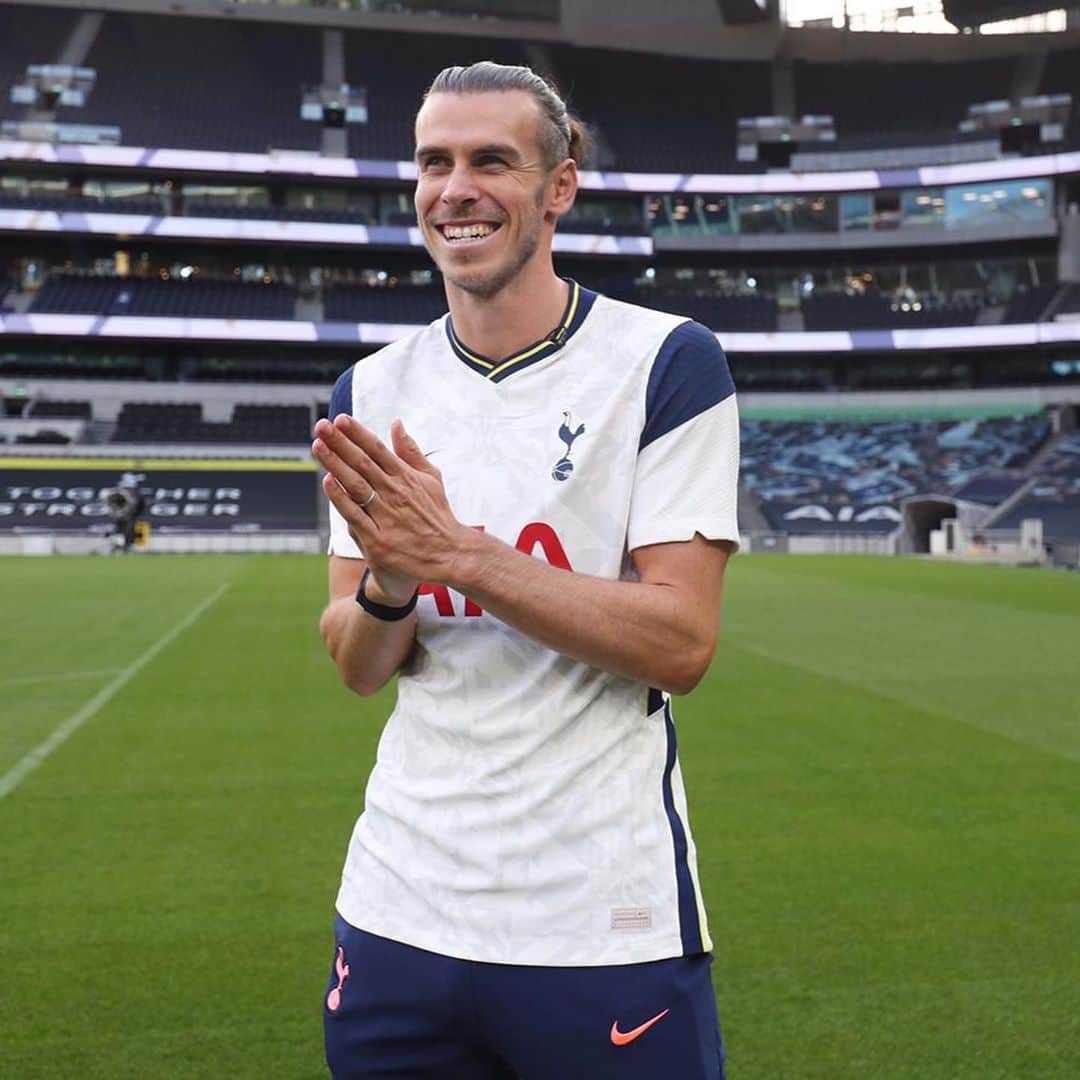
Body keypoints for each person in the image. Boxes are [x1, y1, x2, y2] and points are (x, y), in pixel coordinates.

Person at [312, 61, 740, 1080]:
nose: (454, 188)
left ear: (559, 188)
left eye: (490, 161)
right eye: (434, 162)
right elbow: (358, 663)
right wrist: (389, 583)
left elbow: (680, 643)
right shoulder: (369, 388)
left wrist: (459, 554)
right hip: (395, 908)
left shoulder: (667, 363)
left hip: (597, 922)